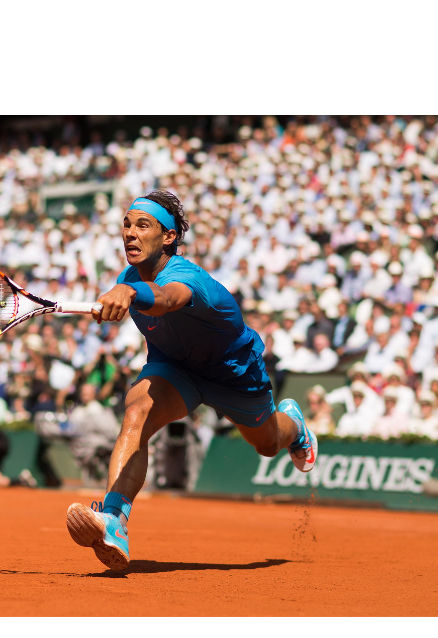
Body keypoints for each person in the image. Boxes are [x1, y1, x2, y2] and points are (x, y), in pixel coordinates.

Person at [65, 191, 318, 571]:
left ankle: (294, 426)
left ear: (169, 237)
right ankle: (114, 520)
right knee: (136, 413)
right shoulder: (127, 277)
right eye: (127, 224)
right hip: (175, 368)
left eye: (143, 225)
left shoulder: (186, 277)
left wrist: (130, 292)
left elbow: (166, 299)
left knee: (267, 443)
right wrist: (127, 290)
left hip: (232, 372)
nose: (130, 234)